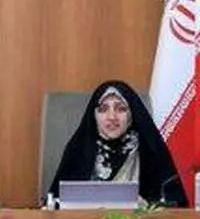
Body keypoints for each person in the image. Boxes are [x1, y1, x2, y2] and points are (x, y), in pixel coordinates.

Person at [48, 80, 188, 208]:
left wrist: (146, 206)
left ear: (132, 114)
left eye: (121, 109)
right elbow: (54, 205)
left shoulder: (150, 151)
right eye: (103, 109)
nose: (112, 117)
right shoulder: (78, 151)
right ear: (94, 115)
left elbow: (175, 206)